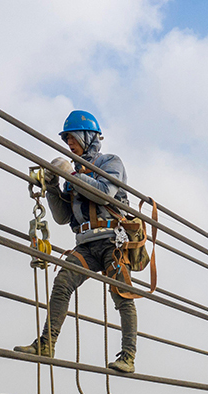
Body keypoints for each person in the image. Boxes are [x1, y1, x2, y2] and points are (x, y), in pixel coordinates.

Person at [14, 110, 137, 373]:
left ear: (87, 137)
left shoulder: (109, 162)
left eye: (72, 138)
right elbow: (62, 217)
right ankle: (47, 343)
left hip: (113, 241)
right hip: (86, 244)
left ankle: (128, 356)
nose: (69, 143)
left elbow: (105, 194)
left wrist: (72, 175)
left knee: (122, 294)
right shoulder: (76, 172)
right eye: (66, 139)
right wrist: (53, 186)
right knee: (62, 283)